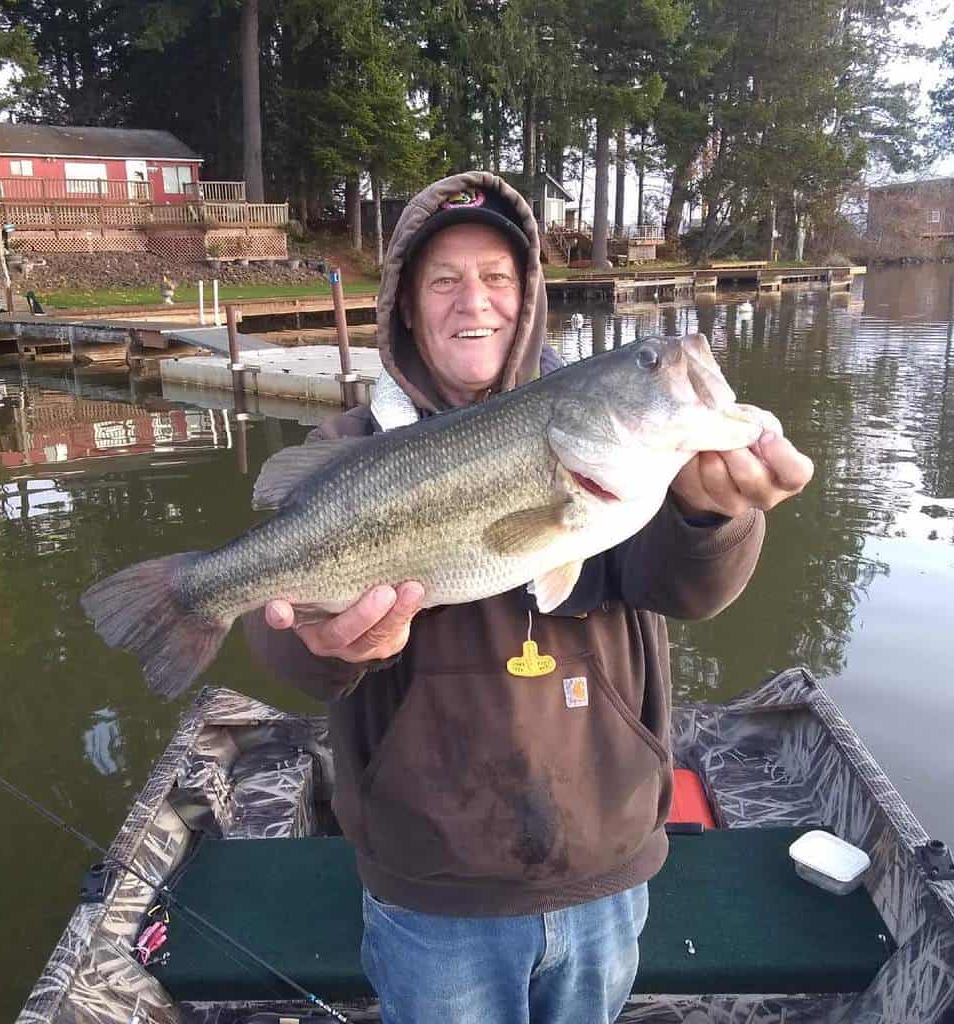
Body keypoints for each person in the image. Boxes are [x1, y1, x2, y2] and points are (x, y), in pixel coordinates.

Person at [245, 171, 813, 1024]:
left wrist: (713, 511)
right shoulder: (349, 448)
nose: (473, 301)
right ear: (406, 306)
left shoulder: (616, 449)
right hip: (430, 887)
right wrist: (316, 644)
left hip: (603, 858)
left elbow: (686, 590)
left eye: (497, 278)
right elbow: (279, 630)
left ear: (529, 298)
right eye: (443, 280)